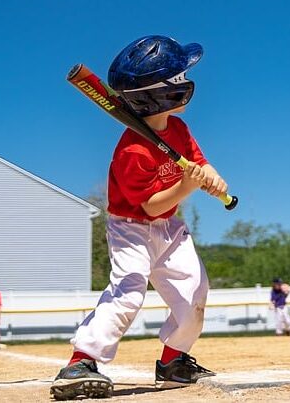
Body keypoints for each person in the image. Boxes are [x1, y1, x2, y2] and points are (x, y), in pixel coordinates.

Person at [50, 36, 229, 400]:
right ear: (162, 94)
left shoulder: (177, 130)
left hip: (169, 228)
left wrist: (210, 174)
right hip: (130, 228)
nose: (185, 81)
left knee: (195, 289)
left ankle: (174, 360)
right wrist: (187, 187)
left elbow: (197, 159)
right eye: (178, 78)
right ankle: (81, 360)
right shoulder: (131, 149)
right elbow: (151, 206)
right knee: (129, 291)